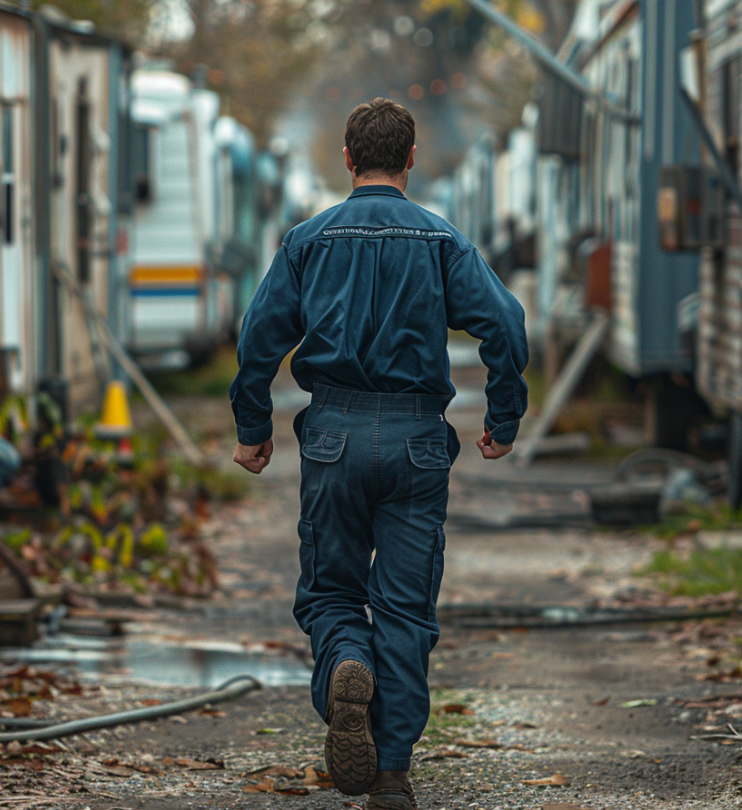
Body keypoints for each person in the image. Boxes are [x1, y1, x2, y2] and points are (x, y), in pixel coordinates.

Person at [229, 98, 528, 810]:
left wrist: (253, 426)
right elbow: (505, 328)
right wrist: (503, 418)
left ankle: (347, 663)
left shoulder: (308, 240)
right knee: (406, 606)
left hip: (332, 433)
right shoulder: (442, 240)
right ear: (412, 159)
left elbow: (257, 340)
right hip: (417, 442)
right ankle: (391, 773)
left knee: (332, 591)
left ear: (347, 157)